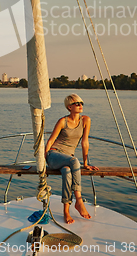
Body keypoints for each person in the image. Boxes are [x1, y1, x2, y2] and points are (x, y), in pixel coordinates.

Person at [45, 93, 98, 224]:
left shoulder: (86, 120)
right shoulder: (63, 121)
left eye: (82, 103)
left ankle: (66, 211)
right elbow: (51, 140)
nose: (80, 106)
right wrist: (45, 158)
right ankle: (79, 200)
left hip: (68, 159)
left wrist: (85, 163)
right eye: (77, 103)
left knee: (67, 172)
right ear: (69, 107)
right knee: (74, 162)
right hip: (54, 155)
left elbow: (84, 142)